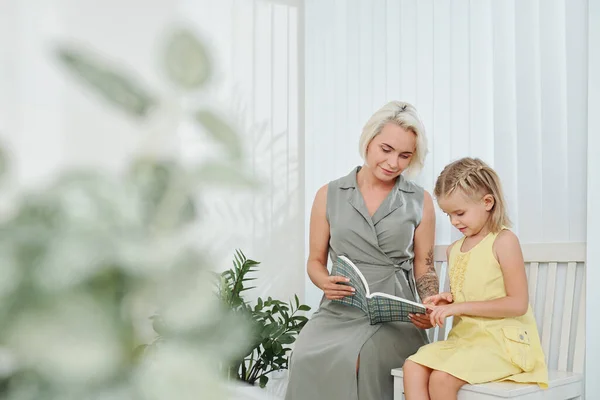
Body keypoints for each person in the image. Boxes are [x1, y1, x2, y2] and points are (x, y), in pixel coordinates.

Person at [285, 101, 439, 400]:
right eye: (386, 149)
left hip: (395, 312)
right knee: (302, 355)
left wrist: (429, 304)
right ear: (368, 141)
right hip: (340, 307)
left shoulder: (420, 200)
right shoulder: (328, 194)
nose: (393, 162)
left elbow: (425, 265)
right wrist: (323, 282)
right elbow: (315, 261)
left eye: (404, 155)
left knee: (361, 358)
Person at [403, 157, 548, 400]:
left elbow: (517, 304)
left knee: (441, 378)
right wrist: (445, 305)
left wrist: (458, 306)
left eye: (459, 213)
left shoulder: (503, 241)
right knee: (412, 366)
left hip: (501, 345)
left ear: (487, 202)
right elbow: (467, 298)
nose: (454, 221)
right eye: (448, 215)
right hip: (466, 342)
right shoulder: (454, 250)